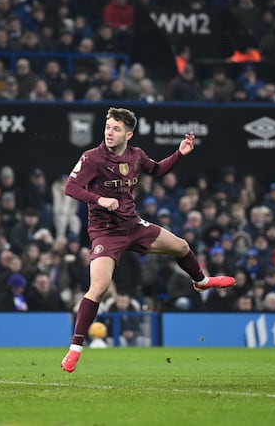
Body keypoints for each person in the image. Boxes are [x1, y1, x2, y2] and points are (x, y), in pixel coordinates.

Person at [61, 107, 235, 372]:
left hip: (133, 226)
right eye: (108, 127)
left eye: (116, 129)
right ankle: (75, 349)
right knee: (99, 288)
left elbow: (156, 170)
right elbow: (70, 187)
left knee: (182, 246)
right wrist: (99, 199)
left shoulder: (136, 155)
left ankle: (201, 282)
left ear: (128, 134)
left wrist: (179, 154)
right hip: (106, 233)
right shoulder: (92, 158)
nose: (109, 132)